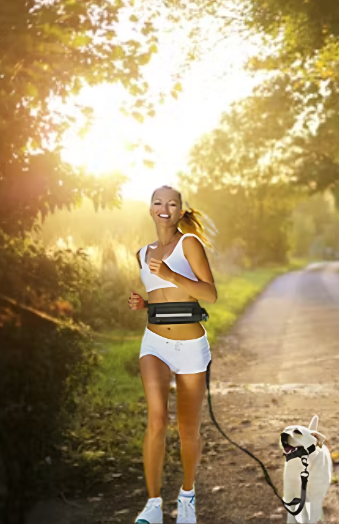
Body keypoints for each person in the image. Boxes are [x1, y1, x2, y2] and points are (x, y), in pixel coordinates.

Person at [128, 186, 218, 524]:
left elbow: (209, 294)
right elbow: (164, 298)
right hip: (154, 343)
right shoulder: (140, 253)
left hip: (191, 346)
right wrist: (144, 304)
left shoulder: (189, 244)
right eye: (158, 202)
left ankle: (187, 497)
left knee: (187, 429)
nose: (164, 207)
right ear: (150, 209)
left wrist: (170, 274)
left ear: (181, 211)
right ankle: (153, 505)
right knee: (155, 419)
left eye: (172, 203)